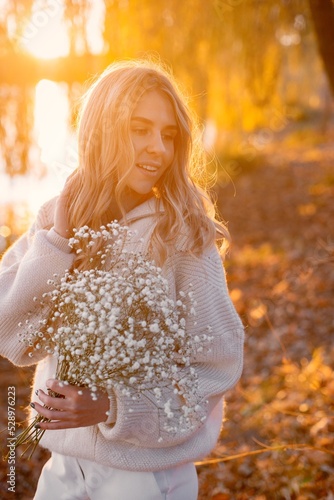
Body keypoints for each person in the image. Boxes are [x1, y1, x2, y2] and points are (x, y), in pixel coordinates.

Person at [0, 59, 244, 500]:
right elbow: (12, 335)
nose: (158, 149)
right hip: (64, 469)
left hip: (143, 478)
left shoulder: (182, 235)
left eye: (168, 135)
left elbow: (217, 366)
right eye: (140, 129)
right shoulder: (59, 218)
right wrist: (57, 242)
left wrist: (114, 405)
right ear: (102, 131)